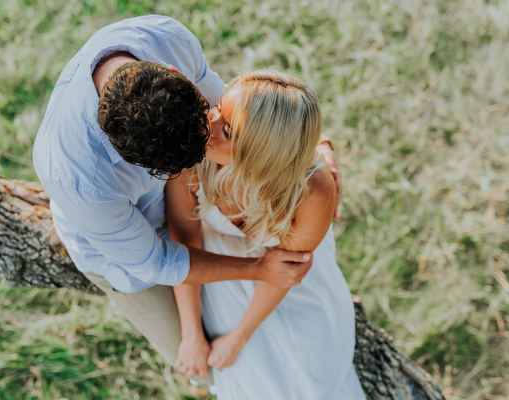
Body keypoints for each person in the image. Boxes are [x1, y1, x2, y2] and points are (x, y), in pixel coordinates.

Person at [33, 15, 340, 385]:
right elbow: (157, 260)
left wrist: (316, 150)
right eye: (180, 165)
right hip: (126, 253)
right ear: (143, 164)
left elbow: (267, 118)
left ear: (174, 72)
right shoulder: (82, 181)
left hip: (257, 271)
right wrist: (255, 272)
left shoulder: (167, 42)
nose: (209, 125)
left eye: (213, 116)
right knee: (209, 369)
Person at [166, 71, 365, 399]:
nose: (208, 126)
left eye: (226, 130)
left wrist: (238, 338)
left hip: (295, 287)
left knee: (315, 381)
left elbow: (290, 268)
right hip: (218, 273)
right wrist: (191, 333)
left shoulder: (312, 189)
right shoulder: (191, 150)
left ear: (261, 155)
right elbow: (184, 237)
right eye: (217, 109)